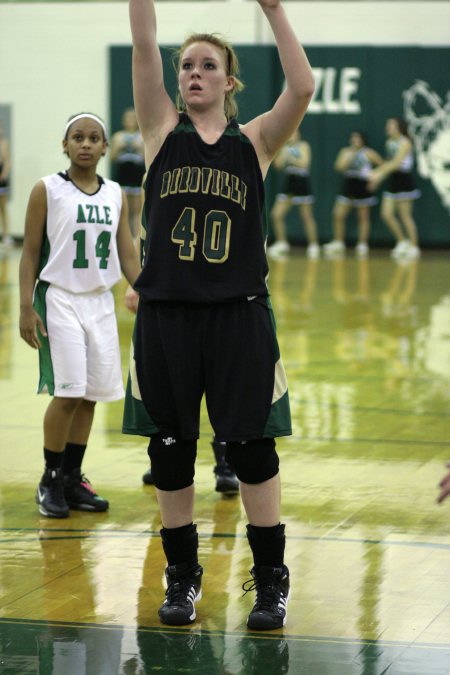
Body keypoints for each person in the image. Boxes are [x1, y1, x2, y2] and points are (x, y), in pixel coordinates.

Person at [128, 0, 314, 631]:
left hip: (238, 317)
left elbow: (304, 85)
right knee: (171, 452)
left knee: (254, 450)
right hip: (166, 318)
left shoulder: (255, 141)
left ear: (230, 82)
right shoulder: (160, 132)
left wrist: (273, 8)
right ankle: (183, 580)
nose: (194, 74)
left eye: (208, 66)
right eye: (187, 67)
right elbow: (143, 43)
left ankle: (269, 585)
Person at [19, 113, 141, 519]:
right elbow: (30, 252)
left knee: (90, 395)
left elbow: (126, 252)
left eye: (94, 138)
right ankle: (50, 478)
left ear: (106, 147)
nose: (86, 144)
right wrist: (24, 305)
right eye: (78, 137)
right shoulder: (47, 190)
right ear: (65, 144)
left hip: (100, 303)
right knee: (68, 392)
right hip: (60, 299)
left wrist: (142, 285)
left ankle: (72, 478)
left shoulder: (115, 194)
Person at [367, 117, 421, 261]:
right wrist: (379, 178)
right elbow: (389, 164)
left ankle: (414, 247)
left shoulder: (405, 142)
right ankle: (402, 242)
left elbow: (397, 163)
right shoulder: (389, 142)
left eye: (391, 125)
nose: (388, 127)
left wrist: (377, 173)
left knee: (405, 216)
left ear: (399, 127)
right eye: (388, 124)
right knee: (386, 214)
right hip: (393, 181)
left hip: (404, 180)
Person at [323, 131, 383, 258]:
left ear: (362, 140)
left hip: (362, 184)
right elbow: (338, 167)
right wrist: (348, 158)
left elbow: (382, 166)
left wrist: (375, 180)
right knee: (338, 214)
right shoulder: (346, 152)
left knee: (363, 217)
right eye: (353, 138)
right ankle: (338, 242)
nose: (354, 140)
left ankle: (362, 244)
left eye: (357, 138)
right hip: (349, 184)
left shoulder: (369, 153)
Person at [267, 129, 320, 259]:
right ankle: (282, 243)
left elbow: (304, 163)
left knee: (306, 216)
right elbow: (278, 166)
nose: (291, 135)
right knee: (276, 215)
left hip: (301, 182)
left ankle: (314, 245)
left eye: (294, 133)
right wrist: (281, 152)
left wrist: (290, 157)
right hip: (289, 182)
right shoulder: (284, 147)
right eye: (290, 133)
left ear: (298, 134)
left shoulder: (304, 146)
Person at [110, 108, 146, 241]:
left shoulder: (142, 136)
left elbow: (147, 157)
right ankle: (123, 238)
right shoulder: (118, 136)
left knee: (136, 209)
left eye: (133, 118)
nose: (130, 121)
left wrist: (139, 148)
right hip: (123, 172)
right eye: (128, 118)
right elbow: (112, 157)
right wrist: (119, 147)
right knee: (124, 207)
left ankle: (136, 238)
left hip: (136, 172)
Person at [0, 123, 12, 247]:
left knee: (3, 207)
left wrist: (4, 173)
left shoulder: (4, 143)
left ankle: (6, 236)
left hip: (1, 178)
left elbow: (8, 161)